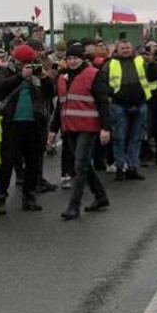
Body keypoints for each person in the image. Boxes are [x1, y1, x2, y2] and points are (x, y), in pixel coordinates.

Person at [50, 42, 111, 220]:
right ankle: (101, 197)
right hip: (70, 128)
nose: (72, 61)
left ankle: (73, 206)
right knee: (84, 165)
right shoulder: (62, 78)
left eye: (75, 58)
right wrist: (54, 129)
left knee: (79, 166)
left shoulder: (93, 75)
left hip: (88, 127)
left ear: (82, 58)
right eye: (69, 58)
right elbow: (59, 106)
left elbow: (103, 102)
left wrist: (105, 128)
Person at [0, 44, 54, 214]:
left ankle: (29, 197)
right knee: (7, 162)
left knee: (33, 162)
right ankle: (0, 197)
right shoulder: (5, 70)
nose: (27, 64)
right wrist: (20, 76)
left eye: (29, 61)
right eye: (23, 61)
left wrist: (45, 78)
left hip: (34, 123)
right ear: (16, 60)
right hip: (12, 122)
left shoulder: (37, 72)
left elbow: (50, 93)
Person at [104, 38, 155, 181]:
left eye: (127, 47)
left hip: (139, 104)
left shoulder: (141, 61)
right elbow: (103, 82)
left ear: (132, 49)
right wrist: (113, 94)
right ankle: (120, 167)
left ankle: (132, 167)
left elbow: (152, 77)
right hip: (119, 105)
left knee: (136, 139)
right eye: (122, 48)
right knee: (119, 138)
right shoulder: (110, 64)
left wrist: (151, 63)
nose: (125, 50)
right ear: (117, 50)